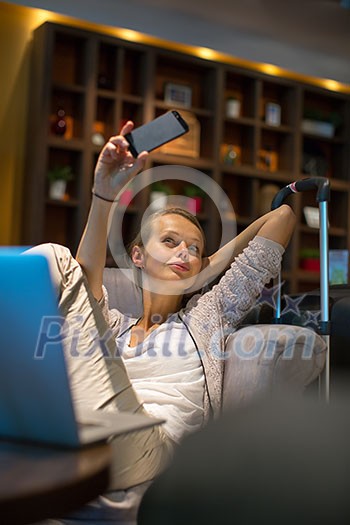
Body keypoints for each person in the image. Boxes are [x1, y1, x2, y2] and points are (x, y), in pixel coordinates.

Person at [34, 120, 296, 523]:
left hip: (150, 444)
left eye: (194, 248)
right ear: (137, 256)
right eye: (170, 242)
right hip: (89, 429)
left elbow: (282, 218)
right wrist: (105, 192)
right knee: (54, 257)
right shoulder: (116, 327)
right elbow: (84, 281)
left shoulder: (204, 318)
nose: (184, 253)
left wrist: (206, 267)